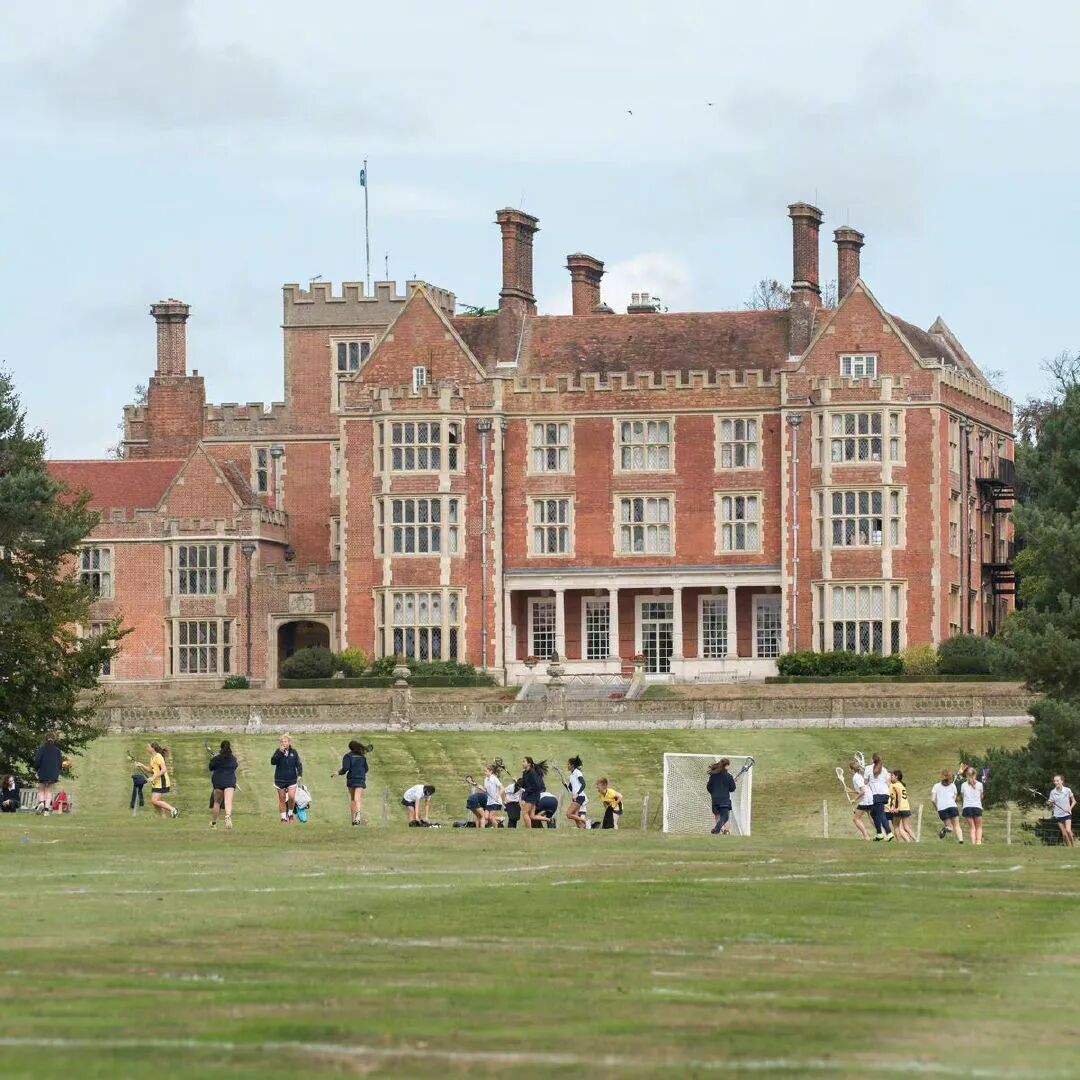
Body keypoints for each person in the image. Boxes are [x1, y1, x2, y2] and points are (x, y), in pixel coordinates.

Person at [135, 743, 179, 819]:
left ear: (153, 749)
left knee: (154, 801)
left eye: (148, 747)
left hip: (162, 781)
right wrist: (141, 765)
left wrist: (153, 777)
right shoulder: (152, 757)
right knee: (155, 803)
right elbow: (150, 770)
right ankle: (162, 818)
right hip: (156, 782)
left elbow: (164, 769)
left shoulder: (158, 756)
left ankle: (173, 810)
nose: (147, 748)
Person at [334, 741, 370, 826]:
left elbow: (345, 768)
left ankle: (354, 820)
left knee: (353, 799)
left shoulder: (348, 756)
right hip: (360, 779)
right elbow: (366, 769)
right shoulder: (362, 757)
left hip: (352, 779)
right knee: (358, 798)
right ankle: (357, 816)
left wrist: (338, 773)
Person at [271, 734, 303, 823]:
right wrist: (280, 753)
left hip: (292, 779)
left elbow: (298, 764)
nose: (283, 743)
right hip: (279, 779)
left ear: (289, 742)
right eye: (282, 742)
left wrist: (300, 774)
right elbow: (273, 762)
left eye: (285, 741)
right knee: (282, 798)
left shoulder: (294, 752)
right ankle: (283, 818)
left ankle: (290, 813)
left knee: (292, 797)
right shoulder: (278, 751)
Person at [208, 740, 238, 830]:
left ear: (221, 748)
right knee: (228, 801)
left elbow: (211, 767)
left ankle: (214, 823)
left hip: (218, 781)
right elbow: (235, 766)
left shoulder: (217, 758)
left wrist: (214, 759)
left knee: (217, 802)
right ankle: (228, 816)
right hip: (229, 781)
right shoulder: (233, 758)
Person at [33, 733, 65, 815]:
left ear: (46, 739)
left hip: (43, 771)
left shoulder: (42, 749)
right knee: (49, 791)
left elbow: (37, 761)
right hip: (53, 773)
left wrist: (36, 768)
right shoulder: (57, 750)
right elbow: (60, 763)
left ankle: (41, 803)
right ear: (54, 740)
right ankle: (46, 810)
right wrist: (57, 771)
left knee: (41, 789)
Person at [866, 754, 894, 841]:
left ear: (872, 760)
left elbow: (865, 782)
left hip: (877, 794)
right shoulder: (884, 769)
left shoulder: (868, 768)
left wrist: (868, 778)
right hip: (885, 793)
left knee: (880, 814)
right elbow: (888, 783)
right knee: (873, 813)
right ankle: (879, 833)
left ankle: (889, 832)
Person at [931, 769, 964, 843]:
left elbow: (932, 800)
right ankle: (961, 840)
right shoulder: (953, 785)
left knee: (950, 827)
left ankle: (946, 828)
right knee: (957, 825)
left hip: (941, 809)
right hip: (952, 806)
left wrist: (936, 808)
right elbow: (954, 798)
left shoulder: (936, 786)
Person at [707, 759, 737, 836]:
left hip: (715, 800)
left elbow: (709, 787)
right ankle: (724, 831)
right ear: (726, 766)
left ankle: (718, 832)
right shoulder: (729, 776)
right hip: (724, 799)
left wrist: (714, 793)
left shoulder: (713, 775)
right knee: (725, 817)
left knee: (717, 816)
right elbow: (732, 789)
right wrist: (732, 782)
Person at [1047, 775, 1076, 847]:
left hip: (1067, 814)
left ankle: (1073, 846)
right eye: (1054, 781)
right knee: (1064, 834)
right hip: (1058, 815)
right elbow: (1050, 803)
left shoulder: (1067, 790)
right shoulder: (1052, 792)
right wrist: (1050, 803)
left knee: (1068, 831)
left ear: (1062, 781)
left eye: (1057, 781)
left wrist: (1070, 808)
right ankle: (1068, 847)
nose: (1055, 782)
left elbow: (1074, 801)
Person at [959, 766, 984, 845]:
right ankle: (978, 842)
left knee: (972, 827)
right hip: (977, 807)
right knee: (979, 827)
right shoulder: (980, 784)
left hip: (967, 807)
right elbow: (981, 797)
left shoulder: (963, 785)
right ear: (975, 774)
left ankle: (973, 843)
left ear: (967, 775)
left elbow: (963, 797)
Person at [519, 757, 546, 829]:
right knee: (532, 816)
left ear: (529, 764)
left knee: (524, 812)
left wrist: (526, 790)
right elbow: (524, 786)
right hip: (529, 795)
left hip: (533, 796)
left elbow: (537, 786)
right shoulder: (524, 773)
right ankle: (549, 820)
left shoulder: (532, 773)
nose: (522, 763)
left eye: (524, 761)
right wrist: (517, 782)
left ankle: (529, 830)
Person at [888, 769, 914, 842]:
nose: (891, 777)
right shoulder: (902, 785)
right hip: (906, 807)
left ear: (896, 777)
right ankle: (916, 840)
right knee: (906, 827)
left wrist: (896, 807)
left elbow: (895, 797)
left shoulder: (894, 785)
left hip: (899, 808)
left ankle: (900, 842)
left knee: (896, 826)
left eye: (892, 776)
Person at [848, 761, 872, 840]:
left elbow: (863, 791)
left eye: (849, 768)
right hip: (869, 798)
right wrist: (851, 791)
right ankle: (881, 833)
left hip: (865, 800)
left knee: (856, 819)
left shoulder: (856, 777)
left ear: (852, 770)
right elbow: (860, 791)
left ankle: (866, 837)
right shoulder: (858, 776)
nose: (848, 770)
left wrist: (854, 799)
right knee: (871, 818)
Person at [565, 756, 588, 829]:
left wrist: (577, 794)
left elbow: (583, 784)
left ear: (572, 765)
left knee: (569, 814)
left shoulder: (577, 772)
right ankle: (582, 828)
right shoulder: (571, 775)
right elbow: (570, 789)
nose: (567, 765)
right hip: (576, 797)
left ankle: (585, 821)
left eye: (568, 764)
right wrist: (565, 784)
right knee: (575, 815)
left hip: (580, 796)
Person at [483, 762, 505, 828]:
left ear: (491, 771)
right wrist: (482, 789)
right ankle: (500, 819)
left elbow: (502, 788)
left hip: (496, 801)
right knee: (486, 817)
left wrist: (498, 795)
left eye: (486, 771)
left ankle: (496, 830)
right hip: (489, 802)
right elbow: (486, 790)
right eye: (484, 771)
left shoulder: (494, 778)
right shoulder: (485, 780)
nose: (484, 773)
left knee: (491, 817)